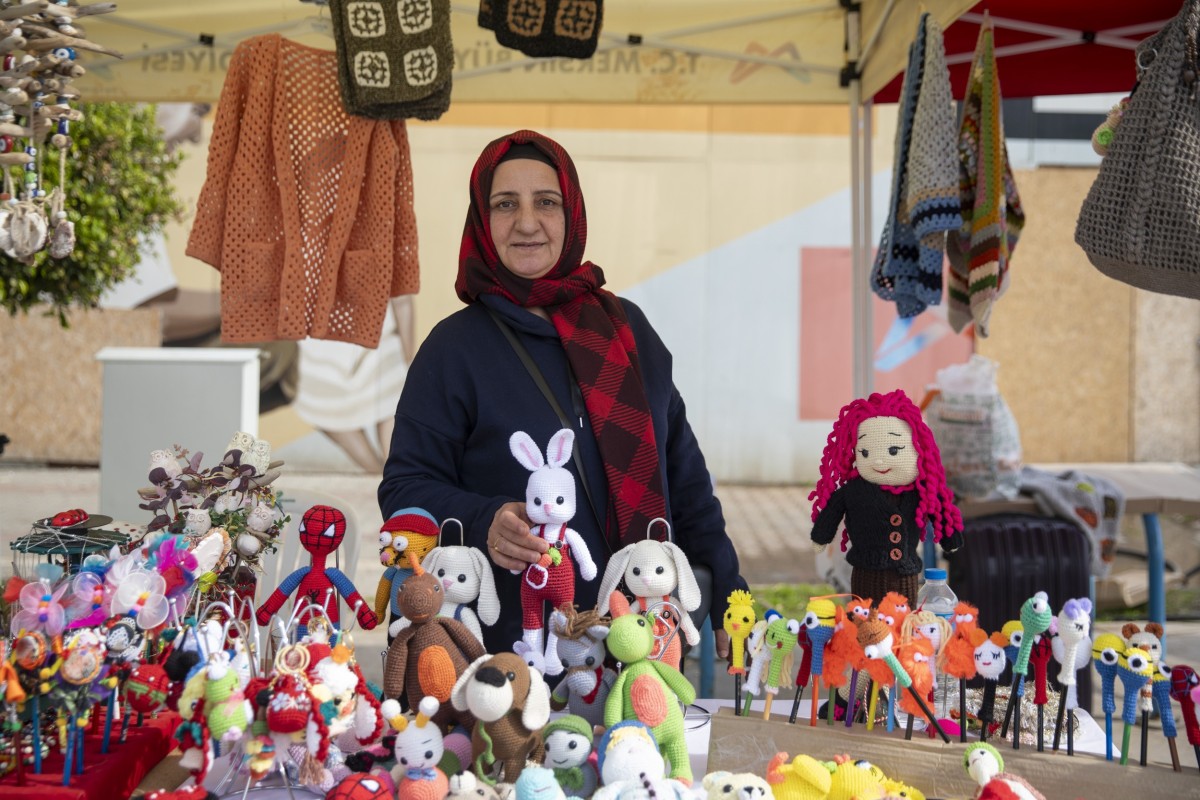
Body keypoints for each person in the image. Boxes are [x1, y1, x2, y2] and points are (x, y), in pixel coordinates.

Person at [378, 129, 747, 658]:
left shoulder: (627, 331)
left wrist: (731, 591)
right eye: (506, 204)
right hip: (508, 648)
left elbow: (684, 477)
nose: (527, 223)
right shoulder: (453, 349)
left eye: (546, 202)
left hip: (634, 637)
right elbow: (404, 488)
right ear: (483, 223)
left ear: (570, 213)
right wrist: (487, 519)